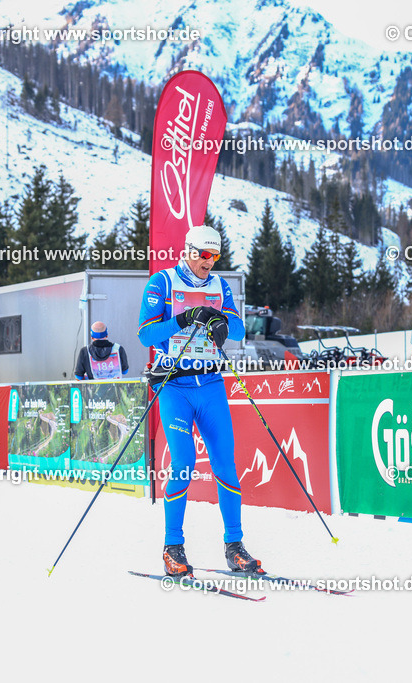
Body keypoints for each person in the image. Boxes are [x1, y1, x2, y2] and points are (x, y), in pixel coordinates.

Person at [137, 224, 259, 578]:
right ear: (188, 251)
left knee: (226, 465)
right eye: (204, 255)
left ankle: (234, 547)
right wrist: (184, 318)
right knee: (184, 464)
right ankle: (172, 547)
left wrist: (220, 321)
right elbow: (146, 332)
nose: (209, 262)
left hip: (211, 384)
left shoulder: (220, 286)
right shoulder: (161, 283)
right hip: (175, 387)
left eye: (215, 256)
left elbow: (239, 329)